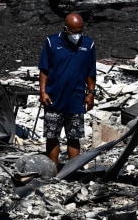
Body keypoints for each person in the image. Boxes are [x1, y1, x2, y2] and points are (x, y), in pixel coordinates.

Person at [38, 12, 97, 171]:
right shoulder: (51, 43)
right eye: (74, 31)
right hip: (54, 99)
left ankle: (73, 171)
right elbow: (44, 70)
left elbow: (91, 73)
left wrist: (90, 94)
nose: (77, 35)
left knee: (74, 137)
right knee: (52, 137)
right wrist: (43, 92)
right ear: (66, 29)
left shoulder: (88, 44)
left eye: (80, 31)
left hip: (76, 99)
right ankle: (53, 171)